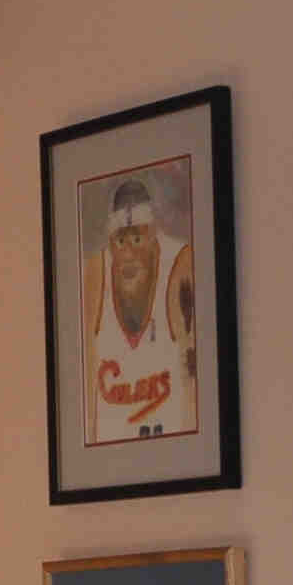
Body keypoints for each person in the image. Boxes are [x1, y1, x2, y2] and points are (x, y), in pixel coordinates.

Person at [81, 172, 196, 442]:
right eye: (121, 242)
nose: (128, 255)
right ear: (111, 243)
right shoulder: (95, 273)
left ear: (153, 236)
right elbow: (83, 405)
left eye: (136, 240)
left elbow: (195, 393)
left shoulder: (180, 265)